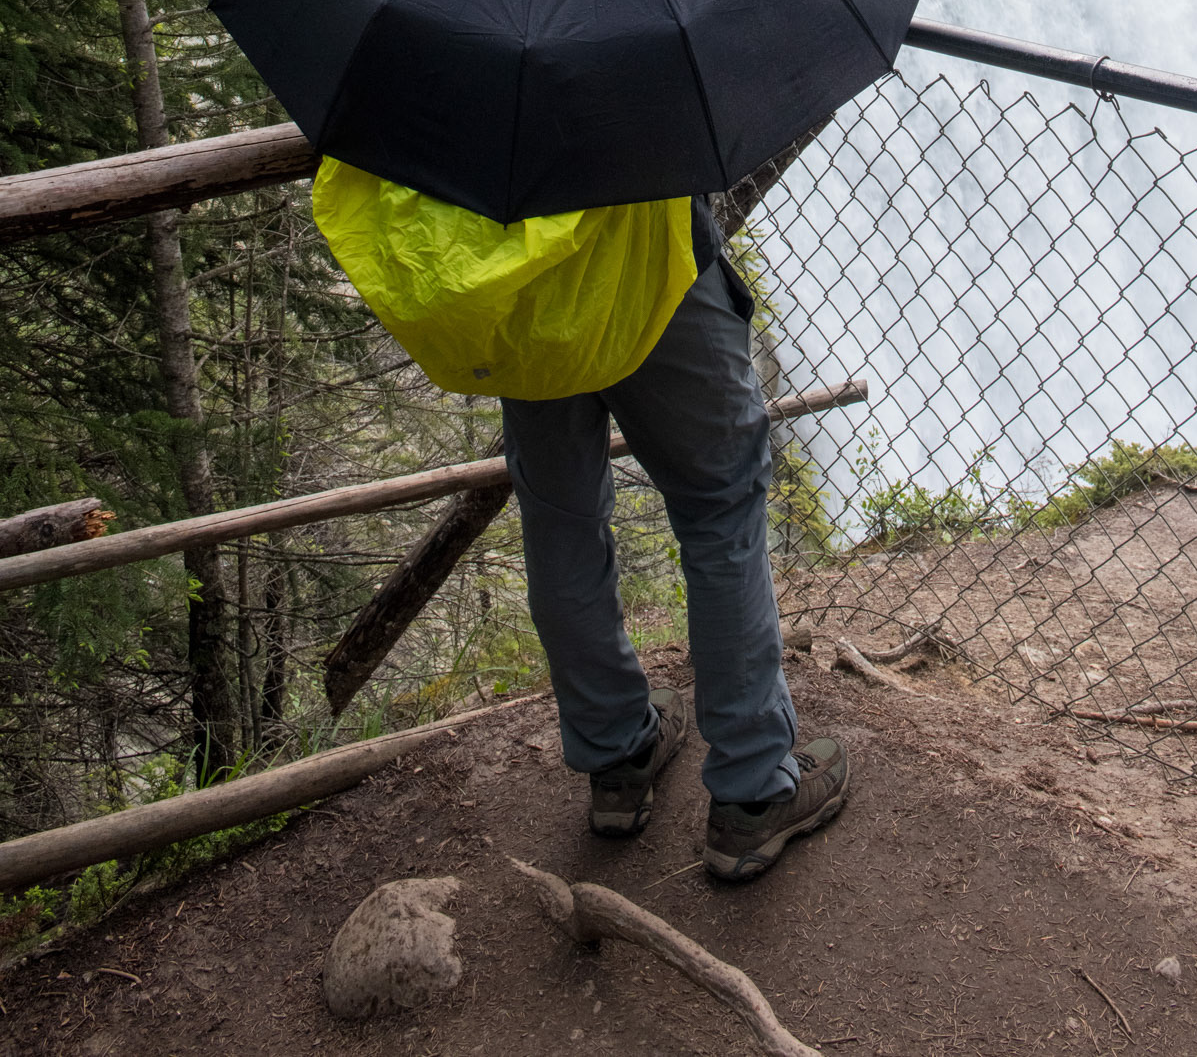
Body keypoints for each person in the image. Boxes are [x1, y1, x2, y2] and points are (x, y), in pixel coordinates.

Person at [311, 164, 848, 883]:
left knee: (559, 516)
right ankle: (751, 792)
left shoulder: (437, 56)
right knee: (720, 509)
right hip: (649, 255)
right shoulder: (632, 46)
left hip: (517, 276)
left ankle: (617, 755)